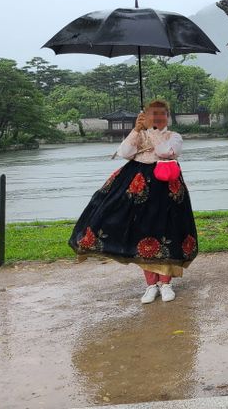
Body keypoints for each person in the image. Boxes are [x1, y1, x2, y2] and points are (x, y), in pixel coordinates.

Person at [69, 100, 198, 303]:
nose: (157, 118)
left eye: (161, 114)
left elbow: (165, 152)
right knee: (142, 232)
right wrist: (136, 130)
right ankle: (150, 285)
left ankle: (166, 283)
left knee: (166, 230)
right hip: (139, 187)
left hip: (166, 187)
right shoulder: (140, 133)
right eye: (152, 114)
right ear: (145, 115)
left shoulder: (174, 137)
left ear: (168, 116)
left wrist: (152, 131)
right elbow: (125, 153)